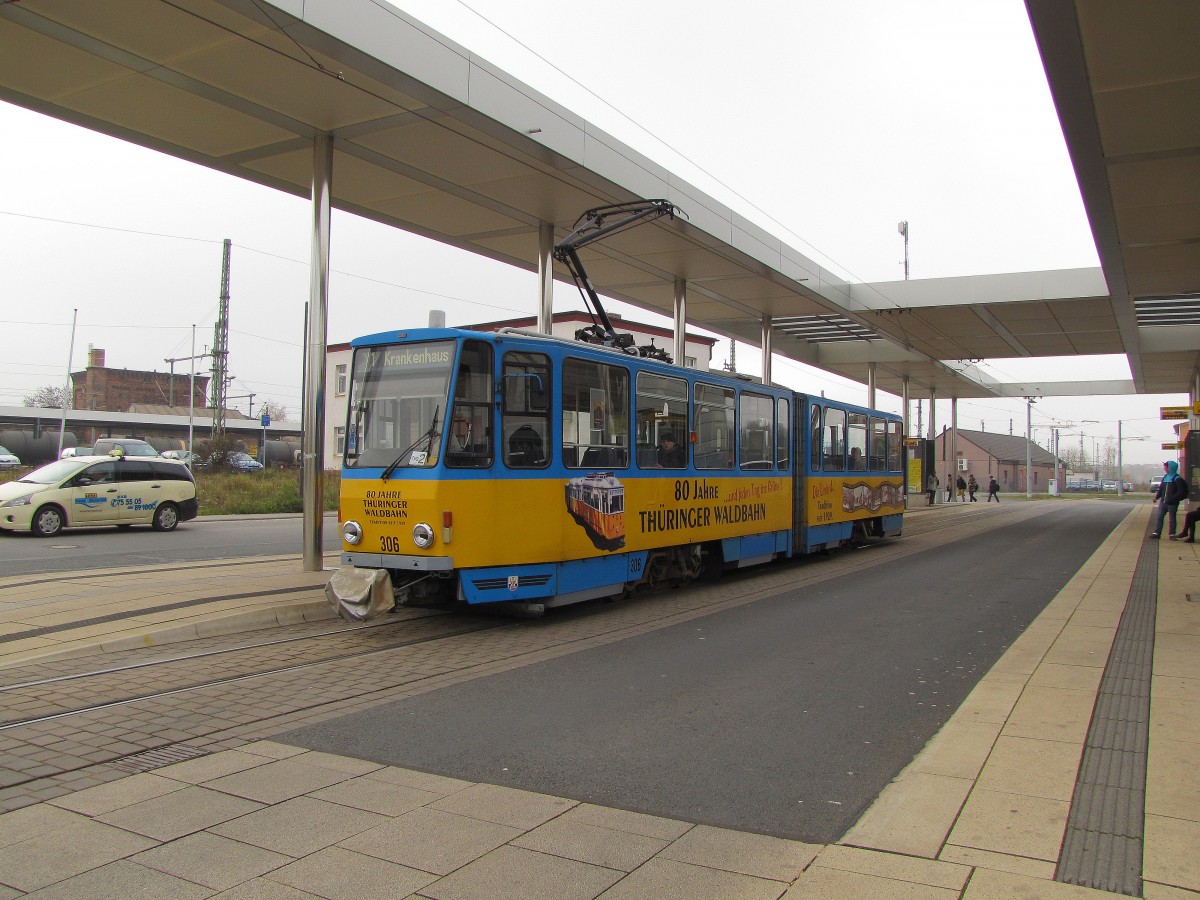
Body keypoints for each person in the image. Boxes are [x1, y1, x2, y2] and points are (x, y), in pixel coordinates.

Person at [1151, 459, 1187, 538]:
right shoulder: (1165, 477)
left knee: (1172, 518)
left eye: (1166, 467)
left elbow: (1180, 492)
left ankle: (1172, 533)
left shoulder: (1177, 479)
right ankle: (1157, 533)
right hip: (1163, 501)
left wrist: (1173, 498)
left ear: (1171, 468)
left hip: (1172, 503)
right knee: (1160, 517)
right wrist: (1156, 497)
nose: (1165, 469)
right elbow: (1161, 489)